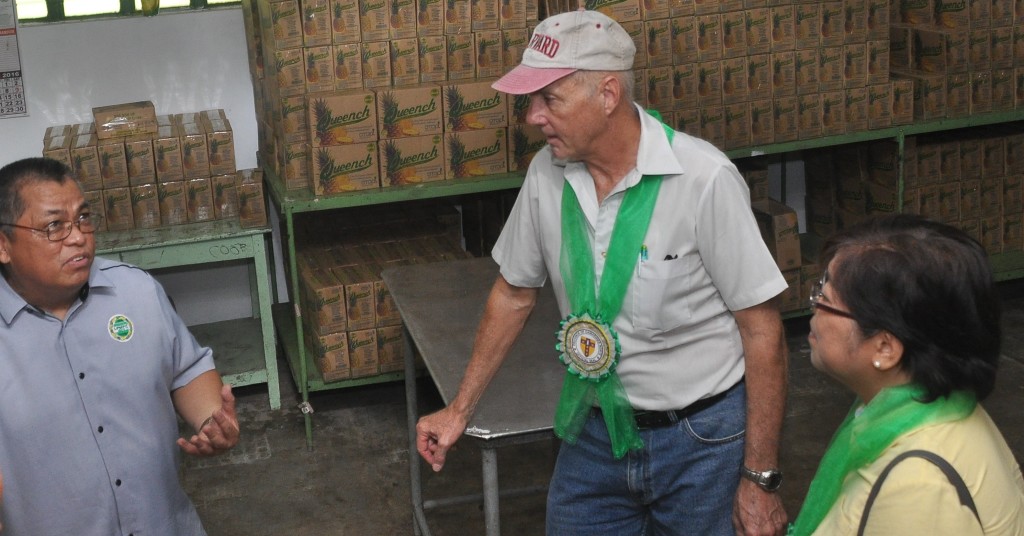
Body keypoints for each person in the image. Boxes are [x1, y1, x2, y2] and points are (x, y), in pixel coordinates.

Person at [416, 8, 790, 535]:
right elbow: (513, 294)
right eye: (530, 101)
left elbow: (762, 329)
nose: (532, 118)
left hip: (701, 443)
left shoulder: (703, 180)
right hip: (593, 430)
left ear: (608, 95)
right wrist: (458, 410)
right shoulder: (546, 175)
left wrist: (760, 476)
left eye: (550, 99)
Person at [0, 157, 240, 535]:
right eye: (54, 226)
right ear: (3, 244)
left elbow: (186, 369)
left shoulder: (136, 292)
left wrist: (212, 419)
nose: (78, 236)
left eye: (83, 218)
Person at [790, 214, 1024, 535]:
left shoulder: (918, 489)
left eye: (825, 299)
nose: (813, 306)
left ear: (885, 348)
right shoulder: (932, 406)